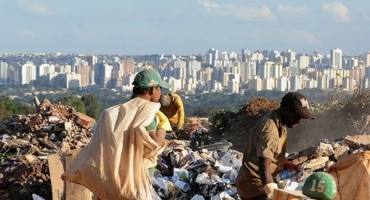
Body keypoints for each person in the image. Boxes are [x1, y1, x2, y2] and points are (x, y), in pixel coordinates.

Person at [61, 68, 172, 200]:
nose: (161, 93)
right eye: (160, 88)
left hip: (111, 182)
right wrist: (164, 124)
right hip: (134, 184)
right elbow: (156, 142)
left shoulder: (113, 112)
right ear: (153, 90)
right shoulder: (147, 113)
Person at [236, 92, 314, 200]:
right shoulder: (270, 130)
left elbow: (272, 154)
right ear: (286, 110)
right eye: (297, 116)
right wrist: (273, 194)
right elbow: (264, 166)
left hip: (258, 182)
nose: (299, 120)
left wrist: (288, 165)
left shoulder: (279, 121)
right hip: (254, 186)